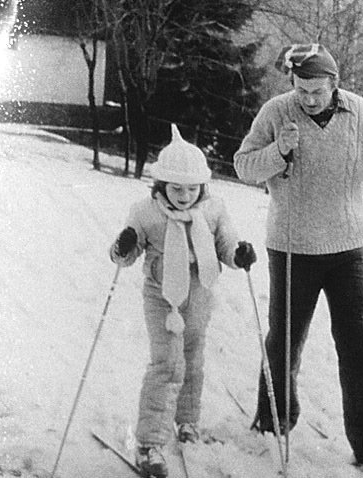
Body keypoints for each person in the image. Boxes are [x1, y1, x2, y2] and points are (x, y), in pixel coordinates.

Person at [233, 43, 363, 476]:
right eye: (301, 89)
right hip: (293, 245)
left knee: (359, 344)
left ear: (335, 84)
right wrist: (278, 151)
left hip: (348, 246)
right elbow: (243, 166)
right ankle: (273, 422)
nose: (309, 99)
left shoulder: (360, 113)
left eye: (317, 90)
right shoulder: (277, 112)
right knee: (286, 338)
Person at [110, 124, 257, 478]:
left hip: (200, 291)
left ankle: (187, 421)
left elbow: (226, 246)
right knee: (167, 364)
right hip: (161, 295)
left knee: (193, 359)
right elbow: (124, 258)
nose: (184, 195)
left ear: (202, 186)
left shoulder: (213, 210)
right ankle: (150, 441)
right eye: (176, 188)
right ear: (161, 184)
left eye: (192, 189)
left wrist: (240, 254)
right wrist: (125, 244)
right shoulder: (145, 211)